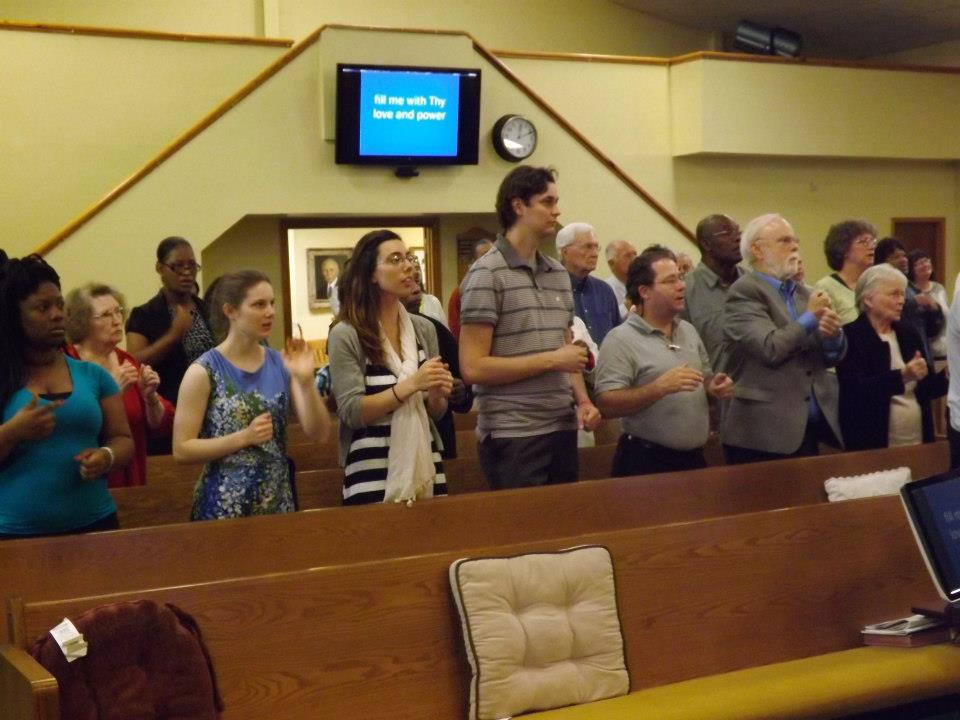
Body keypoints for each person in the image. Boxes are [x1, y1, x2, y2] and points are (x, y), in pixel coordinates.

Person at [460, 166, 600, 489]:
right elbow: (472, 367)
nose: (557, 210)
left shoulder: (556, 272)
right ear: (518, 206)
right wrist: (553, 360)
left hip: (562, 425)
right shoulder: (487, 274)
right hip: (514, 433)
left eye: (556, 201)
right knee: (526, 536)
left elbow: (569, 355)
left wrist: (584, 402)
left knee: (564, 535)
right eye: (547, 202)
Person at [173, 270, 332, 520]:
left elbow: (319, 432)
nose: (270, 312)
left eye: (271, 303)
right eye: (259, 305)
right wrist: (243, 437)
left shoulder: (280, 362)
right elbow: (182, 449)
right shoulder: (203, 371)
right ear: (231, 311)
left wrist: (305, 382)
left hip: (276, 500)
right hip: (223, 505)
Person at [0, 255, 133, 538]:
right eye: (42, 307)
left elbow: (123, 440)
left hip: (95, 523)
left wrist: (105, 457)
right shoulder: (4, 377)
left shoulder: (92, 375)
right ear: (14, 315)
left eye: (59, 304)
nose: (58, 314)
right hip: (16, 533)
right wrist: (12, 433)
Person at [327, 230, 452, 504]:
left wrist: (439, 393)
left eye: (408, 257)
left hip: (424, 460)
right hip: (371, 467)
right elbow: (351, 412)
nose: (407, 266)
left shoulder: (424, 329)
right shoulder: (346, 334)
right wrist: (410, 386)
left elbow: (435, 412)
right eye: (395, 259)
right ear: (371, 273)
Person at [595, 245, 733, 477]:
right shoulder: (620, 339)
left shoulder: (687, 330)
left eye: (680, 277)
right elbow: (606, 404)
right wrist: (658, 388)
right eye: (670, 281)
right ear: (645, 291)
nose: (681, 285)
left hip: (694, 459)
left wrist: (712, 385)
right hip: (645, 463)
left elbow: (704, 377)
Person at [720, 213, 846, 464]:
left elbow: (826, 357)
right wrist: (810, 317)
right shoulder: (744, 292)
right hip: (762, 435)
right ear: (757, 249)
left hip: (808, 427)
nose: (795, 247)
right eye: (784, 241)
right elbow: (770, 348)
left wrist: (833, 337)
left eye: (795, 241)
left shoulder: (804, 293)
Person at [64, 283, 174, 487]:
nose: (117, 321)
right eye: (105, 315)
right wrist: (113, 392)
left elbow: (160, 426)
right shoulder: (68, 363)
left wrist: (150, 398)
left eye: (118, 312)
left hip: (132, 476)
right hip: (87, 477)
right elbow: (71, 423)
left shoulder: (127, 361)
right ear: (82, 322)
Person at [837, 264, 946, 451]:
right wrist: (901, 376)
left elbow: (926, 390)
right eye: (894, 294)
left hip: (917, 442)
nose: (902, 301)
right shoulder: (850, 336)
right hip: (872, 446)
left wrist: (947, 376)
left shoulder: (909, 335)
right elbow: (854, 393)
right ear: (869, 300)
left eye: (902, 294)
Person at [126, 237, 215, 420]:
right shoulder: (144, 314)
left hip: (211, 407)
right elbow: (135, 362)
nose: (186, 272)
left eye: (191, 266)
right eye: (177, 266)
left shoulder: (208, 310)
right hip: (168, 410)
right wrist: (173, 335)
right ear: (160, 268)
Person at [402, 276, 473, 459]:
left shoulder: (434, 329)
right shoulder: (358, 334)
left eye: (417, 283)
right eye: (408, 283)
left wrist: (460, 391)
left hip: (437, 441)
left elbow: (464, 386)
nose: (417, 290)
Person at [683, 214, 744, 370]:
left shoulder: (754, 283)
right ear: (706, 244)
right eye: (728, 233)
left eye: (738, 232)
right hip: (712, 388)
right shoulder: (686, 290)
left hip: (757, 388)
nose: (738, 238)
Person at [875, 237, 943, 366]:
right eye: (896, 257)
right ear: (882, 263)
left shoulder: (912, 287)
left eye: (904, 256)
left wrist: (934, 309)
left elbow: (931, 329)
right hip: (900, 358)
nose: (903, 260)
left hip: (923, 355)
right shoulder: (879, 288)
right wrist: (913, 302)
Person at [555, 222, 621, 346]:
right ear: (565, 252)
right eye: (588, 246)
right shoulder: (550, 289)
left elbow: (618, 336)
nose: (595, 253)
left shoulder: (604, 291)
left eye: (597, 247)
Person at [814, 219, 876, 324]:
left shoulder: (874, 283)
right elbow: (826, 332)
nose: (871, 247)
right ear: (843, 250)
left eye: (872, 241)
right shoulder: (826, 287)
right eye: (863, 242)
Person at [907, 248, 949, 360]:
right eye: (919, 263)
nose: (925, 265)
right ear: (911, 269)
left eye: (926, 261)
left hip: (946, 350)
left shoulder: (939, 288)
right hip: (925, 353)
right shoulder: (909, 292)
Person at [447, 239, 493, 338]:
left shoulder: (500, 289)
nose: (491, 261)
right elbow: (456, 332)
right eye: (485, 256)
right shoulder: (458, 294)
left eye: (493, 255)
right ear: (473, 263)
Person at [604, 239, 637, 317]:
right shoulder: (604, 289)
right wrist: (626, 306)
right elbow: (606, 320)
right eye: (627, 256)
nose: (635, 259)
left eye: (635, 254)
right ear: (611, 263)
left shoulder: (646, 283)